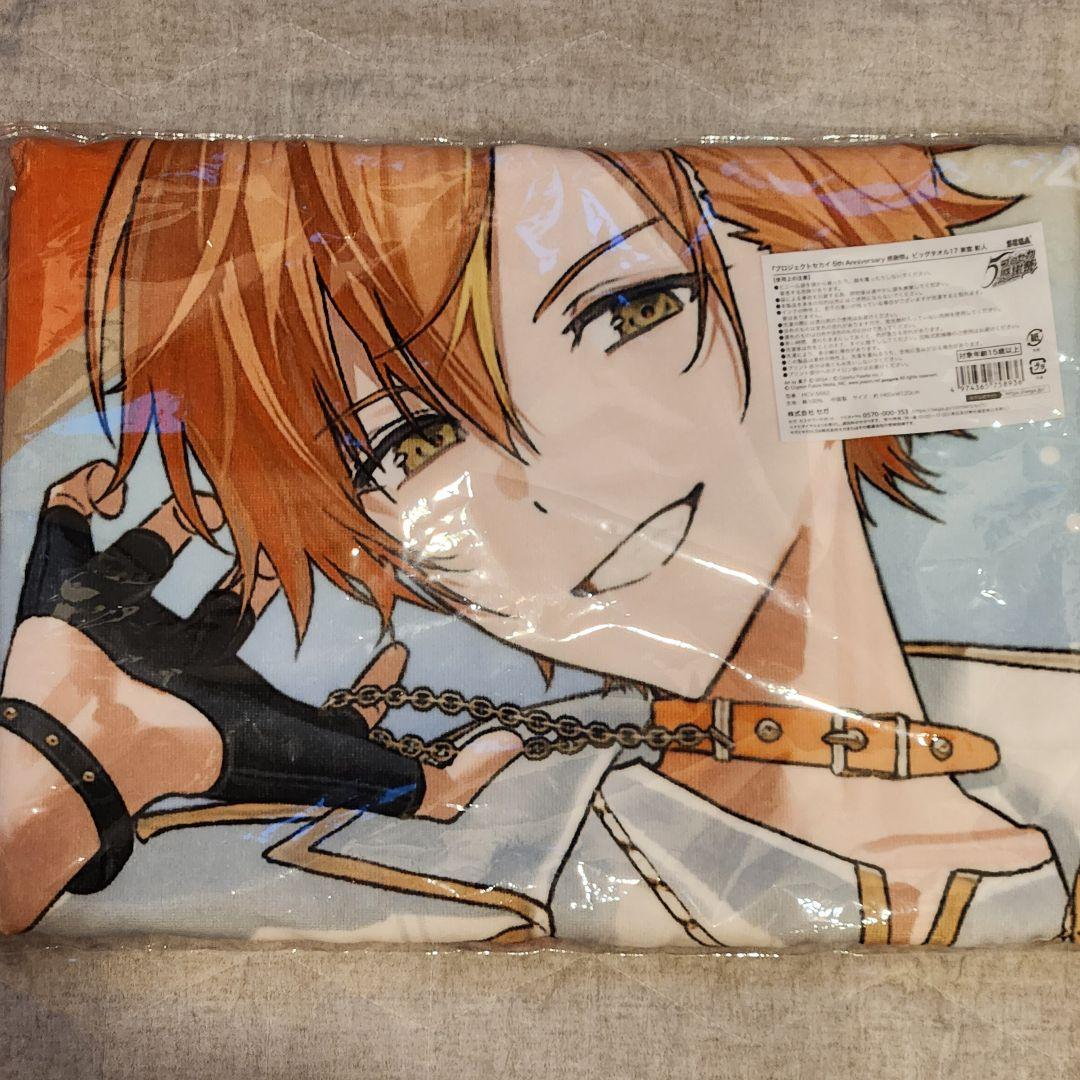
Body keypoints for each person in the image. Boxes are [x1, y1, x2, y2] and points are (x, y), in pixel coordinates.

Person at [0, 138, 1069, 942]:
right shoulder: (442, 870)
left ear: (806, 275)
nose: (558, 475)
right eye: (413, 443)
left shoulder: (1050, 732)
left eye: (635, 310)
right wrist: (74, 763)